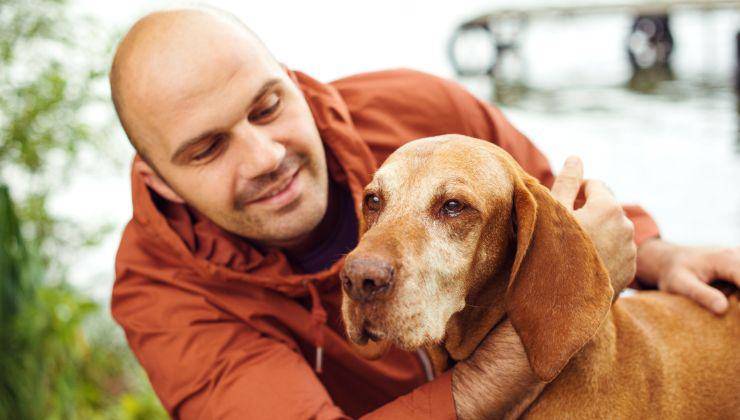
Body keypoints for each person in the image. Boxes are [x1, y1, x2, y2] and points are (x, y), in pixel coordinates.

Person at [109, 8, 740, 419]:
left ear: (294, 80)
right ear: (156, 180)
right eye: (208, 148)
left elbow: (554, 208)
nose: (266, 156)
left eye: (267, 105)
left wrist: (659, 254)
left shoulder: (421, 107)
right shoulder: (160, 299)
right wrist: (541, 335)